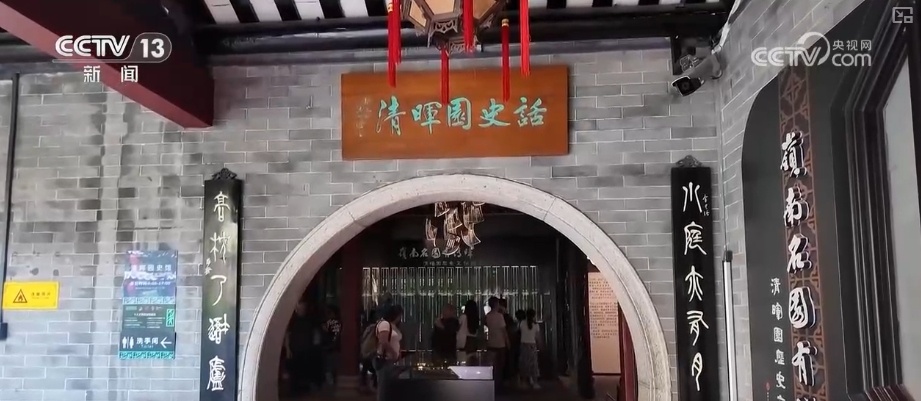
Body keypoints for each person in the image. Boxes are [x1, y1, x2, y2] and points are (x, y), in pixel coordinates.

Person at [284, 300, 323, 395]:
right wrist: (288, 349)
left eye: (304, 308)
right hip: (295, 348)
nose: (302, 310)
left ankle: (304, 389)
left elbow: (315, 333)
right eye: (301, 308)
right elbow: (287, 335)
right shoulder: (292, 320)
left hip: (306, 348)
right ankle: (294, 390)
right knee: (294, 371)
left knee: (305, 370)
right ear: (296, 309)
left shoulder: (309, 319)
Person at [374, 305, 405, 401]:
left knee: (390, 387)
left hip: (392, 360)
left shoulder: (393, 326)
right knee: (383, 387)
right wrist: (393, 353)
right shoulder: (384, 324)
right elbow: (383, 341)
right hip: (385, 359)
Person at [485, 297, 509, 387]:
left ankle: (492, 384)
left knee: (493, 366)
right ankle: (499, 384)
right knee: (500, 365)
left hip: (491, 343)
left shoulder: (487, 316)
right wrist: (508, 342)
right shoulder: (500, 316)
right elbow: (504, 331)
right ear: (496, 304)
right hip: (500, 343)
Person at [518, 309, 542, 389]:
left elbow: (520, 332)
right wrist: (540, 345)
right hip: (532, 346)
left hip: (523, 345)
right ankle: (535, 382)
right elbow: (538, 337)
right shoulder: (536, 325)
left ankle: (524, 382)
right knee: (533, 364)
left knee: (524, 364)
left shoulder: (522, 323)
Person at [358, 310, 379, 393]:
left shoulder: (368, 328)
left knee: (367, 366)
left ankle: (366, 384)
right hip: (370, 350)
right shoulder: (373, 327)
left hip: (367, 350)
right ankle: (372, 384)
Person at [321, 305, 342, 386]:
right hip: (336, 346)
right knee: (335, 365)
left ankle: (330, 382)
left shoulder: (328, 322)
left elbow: (325, 333)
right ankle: (334, 380)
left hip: (329, 346)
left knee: (329, 365)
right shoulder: (340, 322)